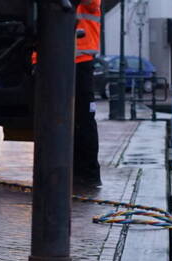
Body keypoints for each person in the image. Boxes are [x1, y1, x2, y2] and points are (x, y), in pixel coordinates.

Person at [73, 0, 102, 187]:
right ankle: (77, 171)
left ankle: (88, 173)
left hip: (81, 61)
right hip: (60, 60)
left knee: (84, 120)